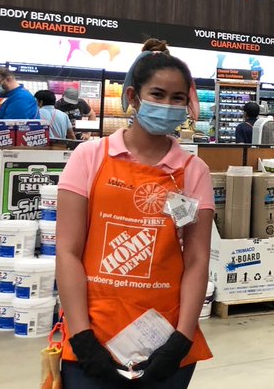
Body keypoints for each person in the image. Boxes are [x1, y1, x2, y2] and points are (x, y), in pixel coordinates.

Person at [57, 39, 214, 387]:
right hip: (93, 331)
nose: (168, 106)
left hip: (164, 336)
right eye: (157, 94)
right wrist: (81, 336)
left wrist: (181, 339)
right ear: (133, 97)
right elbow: (67, 251)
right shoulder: (90, 157)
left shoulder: (194, 171)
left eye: (178, 98)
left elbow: (197, 259)